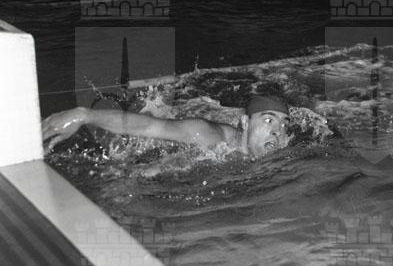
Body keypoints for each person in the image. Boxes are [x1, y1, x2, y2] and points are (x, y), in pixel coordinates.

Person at [41, 95, 291, 158]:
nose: (277, 131)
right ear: (245, 122)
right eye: (268, 120)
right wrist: (84, 115)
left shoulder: (284, 146)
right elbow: (151, 127)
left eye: (283, 124)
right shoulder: (210, 136)